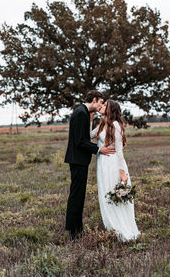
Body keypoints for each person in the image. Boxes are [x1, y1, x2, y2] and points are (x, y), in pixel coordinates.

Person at [64, 90, 116, 240]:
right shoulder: (81, 113)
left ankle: (77, 228)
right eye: (101, 102)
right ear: (94, 99)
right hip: (78, 159)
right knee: (76, 195)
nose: (101, 105)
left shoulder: (84, 113)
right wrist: (99, 149)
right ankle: (74, 232)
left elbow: (84, 136)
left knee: (78, 195)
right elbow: (80, 141)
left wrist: (92, 118)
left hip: (79, 159)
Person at [90, 100, 140, 241]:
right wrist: (90, 118)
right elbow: (88, 135)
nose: (102, 106)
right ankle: (112, 227)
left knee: (116, 196)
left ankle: (121, 228)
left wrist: (122, 172)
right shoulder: (101, 124)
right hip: (102, 164)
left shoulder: (116, 125)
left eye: (105, 105)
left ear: (110, 109)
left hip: (113, 164)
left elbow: (119, 151)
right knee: (105, 194)